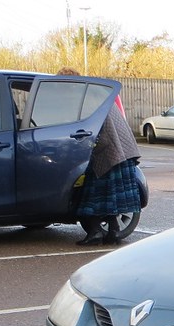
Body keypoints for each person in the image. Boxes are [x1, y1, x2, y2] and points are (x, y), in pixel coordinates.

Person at [57, 67, 142, 245]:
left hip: (109, 150)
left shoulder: (83, 98)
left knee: (91, 195)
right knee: (109, 197)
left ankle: (96, 232)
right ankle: (113, 231)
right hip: (121, 150)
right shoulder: (96, 92)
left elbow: (88, 128)